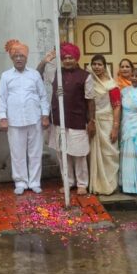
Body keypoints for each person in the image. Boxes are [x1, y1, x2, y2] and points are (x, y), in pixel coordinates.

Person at [0, 39, 49, 195]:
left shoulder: (34, 75)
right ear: (12, 58)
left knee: (35, 152)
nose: (19, 59)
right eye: (16, 56)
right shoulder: (6, 76)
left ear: (26, 58)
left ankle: (35, 182)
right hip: (14, 121)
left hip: (34, 119)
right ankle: (20, 182)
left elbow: (43, 96)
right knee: (17, 153)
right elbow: (2, 98)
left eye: (22, 56)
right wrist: (3, 118)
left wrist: (45, 115)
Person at [46, 43, 90, 195]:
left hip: (78, 120)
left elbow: (90, 100)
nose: (67, 61)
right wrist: (49, 58)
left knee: (79, 153)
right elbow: (41, 72)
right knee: (62, 153)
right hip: (59, 120)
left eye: (70, 58)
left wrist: (91, 121)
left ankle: (82, 184)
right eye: (64, 58)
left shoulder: (85, 76)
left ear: (76, 58)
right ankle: (68, 182)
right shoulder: (56, 73)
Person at [85, 54, 121, 195]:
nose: (96, 67)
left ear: (105, 66)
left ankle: (109, 185)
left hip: (108, 122)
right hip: (93, 121)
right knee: (92, 154)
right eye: (94, 64)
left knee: (109, 153)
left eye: (100, 64)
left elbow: (117, 106)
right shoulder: (88, 82)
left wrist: (115, 127)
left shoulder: (111, 85)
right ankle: (96, 184)